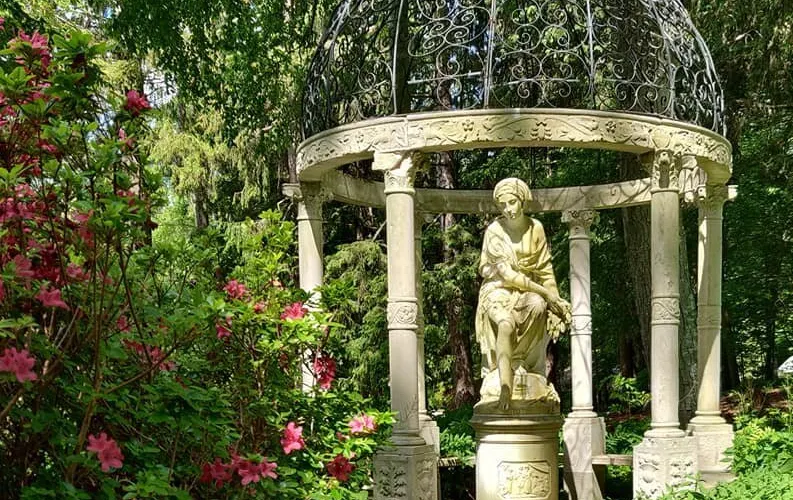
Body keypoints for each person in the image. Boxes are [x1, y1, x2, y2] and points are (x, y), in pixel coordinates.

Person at [475, 178, 571, 411]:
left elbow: (545, 271)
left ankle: (520, 360)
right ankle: (505, 386)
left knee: (538, 305)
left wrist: (555, 301)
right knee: (506, 323)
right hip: (498, 289)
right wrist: (546, 294)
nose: (508, 209)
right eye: (502, 205)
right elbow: (508, 276)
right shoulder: (494, 231)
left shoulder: (536, 228)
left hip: (529, 292)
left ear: (522, 201)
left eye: (512, 202)